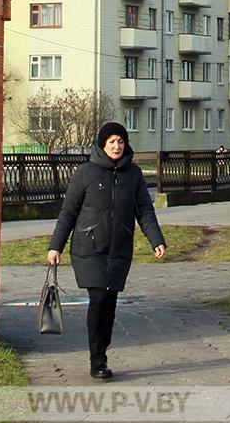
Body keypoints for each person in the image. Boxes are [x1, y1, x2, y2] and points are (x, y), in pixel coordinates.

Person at [47, 122, 165, 381]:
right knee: (99, 298)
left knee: (110, 303)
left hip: (119, 248)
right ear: (102, 144)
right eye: (112, 141)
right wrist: (56, 246)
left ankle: (102, 352)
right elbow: (68, 212)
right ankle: (97, 359)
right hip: (89, 249)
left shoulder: (133, 174)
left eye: (121, 141)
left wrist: (156, 239)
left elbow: (144, 210)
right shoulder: (86, 173)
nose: (116, 146)